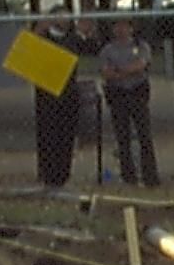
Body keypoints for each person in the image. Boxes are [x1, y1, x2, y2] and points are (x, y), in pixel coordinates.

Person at [29, 13, 97, 188]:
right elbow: (28, 51)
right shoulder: (43, 36)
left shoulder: (73, 39)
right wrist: (39, 30)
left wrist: (86, 32)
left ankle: (62, 176)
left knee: (66, 136)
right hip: (46, 95)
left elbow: (91, 47)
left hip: (68, 94)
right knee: (47, 136)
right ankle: (47, 176)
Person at [97, 15, 160, 189]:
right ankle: (129, 177)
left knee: (144, 136)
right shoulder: (107, 50)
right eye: (118, 25)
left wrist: (119, 70)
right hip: (117, 95)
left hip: (138, 93)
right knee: (122, 137)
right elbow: (105, 72)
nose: (121, 29)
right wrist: (126, 71)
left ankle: (150, 177)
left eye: (125, 26)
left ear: (132, 28)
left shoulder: (141, 46)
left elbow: (140, 66)